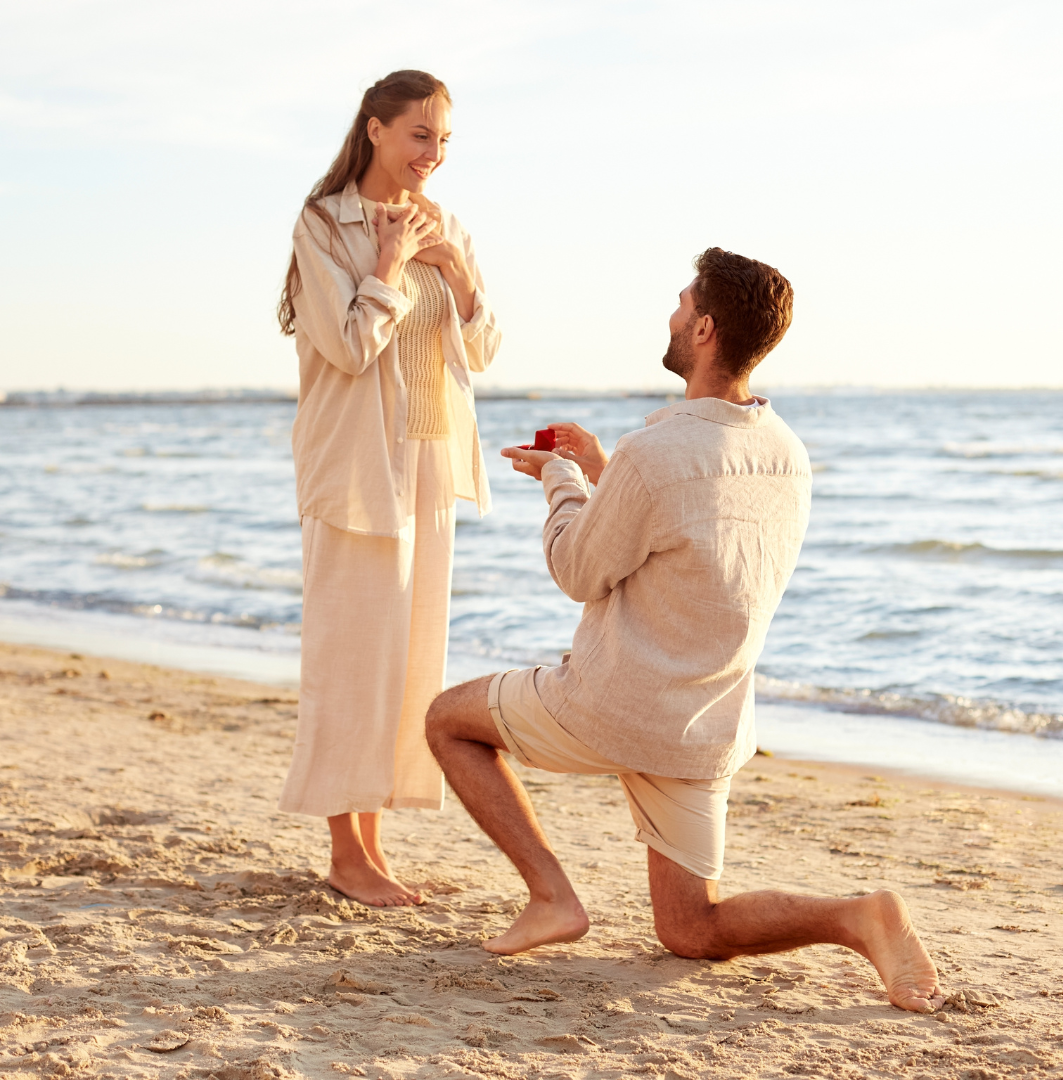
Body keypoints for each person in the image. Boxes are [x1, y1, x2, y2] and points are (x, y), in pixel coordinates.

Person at [425, 248, 945, 1013]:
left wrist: (563, 479)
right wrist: (606, 469)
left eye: (679, 302)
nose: (670, 316)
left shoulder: (655, 451)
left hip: (612, 704)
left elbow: (577, 570)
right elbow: (694, 542)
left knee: (448, 722)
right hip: (704, 723)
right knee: (690, 929)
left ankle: (552, 898)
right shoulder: (785, 454)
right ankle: (858, 915)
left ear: (703, 327)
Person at [276, 70, 501, 907]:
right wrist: (392, 264)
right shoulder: (322, 224)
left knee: (406, 664)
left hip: (429, 462)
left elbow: (482, 351)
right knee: (350, 658)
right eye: (419, 136)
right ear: (374, 130)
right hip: (355, 467)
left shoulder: (448, 224)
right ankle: (344, 851)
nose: (432, 156)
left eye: (443, 141)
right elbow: (346, 346)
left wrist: (455, 271)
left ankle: (370, 844)